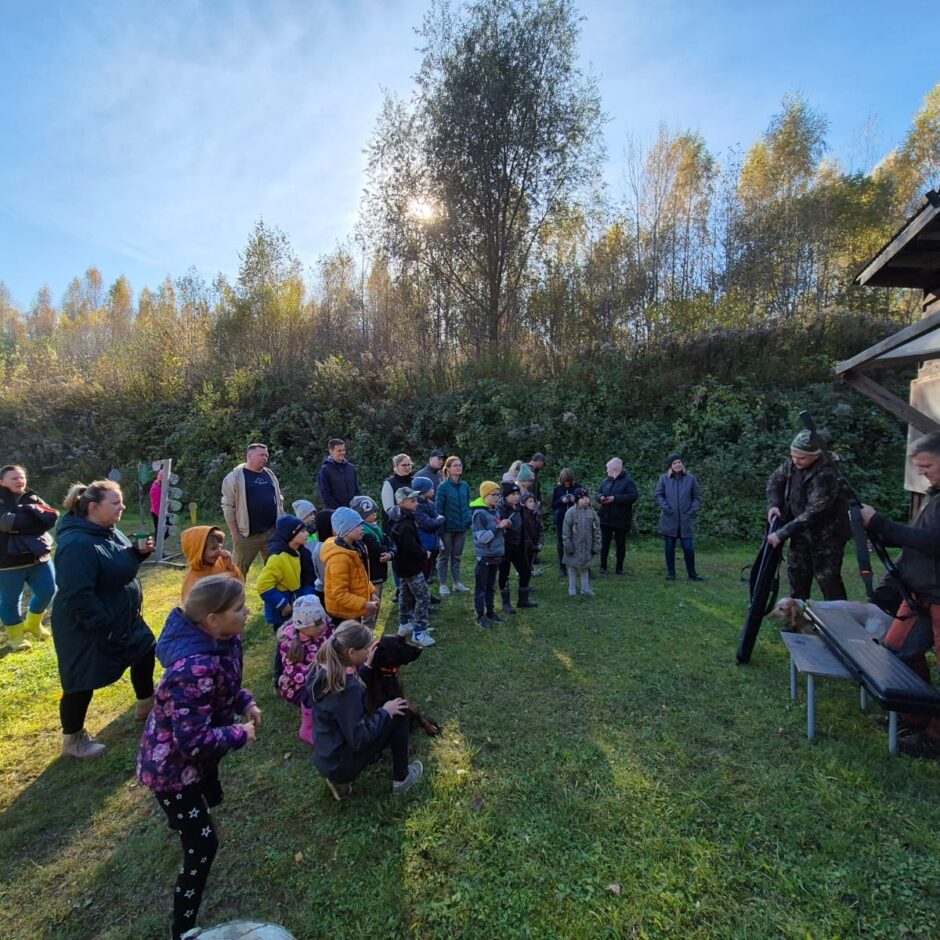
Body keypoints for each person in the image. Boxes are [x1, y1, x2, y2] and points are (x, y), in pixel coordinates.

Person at [136, 576, 261, 940]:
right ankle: (184, 929)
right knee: (203, 844)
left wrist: (245, 701)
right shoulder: (192, 668)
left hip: (192, 765)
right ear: (212, 619)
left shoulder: (223, 642)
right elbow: (192, 742)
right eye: (239, 608)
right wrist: (240, 733)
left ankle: (184, 819)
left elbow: (226, 686)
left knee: (207, 802)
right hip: (171, 771)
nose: (247, 611)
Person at [52, 480, 156, 759]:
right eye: (115, 503)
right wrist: (105, 626)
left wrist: (136, 554)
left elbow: (117, 567)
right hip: (86, 625)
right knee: (81, 680)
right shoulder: (76, 544)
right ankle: (73, 740)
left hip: (122, 616)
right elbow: (77, 595)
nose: (122, 508)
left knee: (145, 649)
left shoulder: (108, 531)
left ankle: (147, 704)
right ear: (93, 507)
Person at [860, 432, 940, 757]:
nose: (922, 472)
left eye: (928, 465)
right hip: (919, 593)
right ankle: (914, 715)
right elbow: (919, 539)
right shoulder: (934, 496)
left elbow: (934, 542)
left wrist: (879, 522)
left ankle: (936, 739)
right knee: (897, 653)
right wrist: (881, 532)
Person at [308, 620, 423, 799]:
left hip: (326, 759)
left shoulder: (320, 669)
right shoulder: (349, 688)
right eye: (366, 649)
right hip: (342, 765)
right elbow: (359, 738)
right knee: (400, 710)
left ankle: (337, 779)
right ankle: (403, 779)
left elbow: (341, 703)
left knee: (390, 711)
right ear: (351, 652)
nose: (370, 652)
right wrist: (385, 712)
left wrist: (366, 667)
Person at [766, 429, 850, 600]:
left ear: (816, 455)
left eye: (801, 457)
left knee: (828, 581)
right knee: (797, 579)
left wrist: (781, 534)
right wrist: (774, 505)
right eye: (793, 455)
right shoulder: (791, 464)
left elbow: (815, 512)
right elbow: (775, 481)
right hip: (800, 535)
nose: (795, 460)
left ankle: (838, 623)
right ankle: (796, 622)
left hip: (827, 538)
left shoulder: (827, 474)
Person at [0, 464, 58, 651]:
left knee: (48, 590)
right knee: (10, 600)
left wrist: (21, 522)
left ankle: (33, 623)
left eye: (22, 477)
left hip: (37, 557)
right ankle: (16, 637)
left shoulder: (31, 496)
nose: (20, 481)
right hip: (7, 561)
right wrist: (33, 519)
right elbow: (6, 523)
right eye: (14, 478)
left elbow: (51, 517)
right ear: (2, 481)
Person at [276, 594, 332, 746]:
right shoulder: (290, 643)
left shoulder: (323, 631)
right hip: (297, 685)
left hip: (325, 674)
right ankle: (307, 728)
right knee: (312, 692)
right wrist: (322, 674)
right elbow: (293, 672)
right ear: (303, 626)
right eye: (318, 624)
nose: (323, 626)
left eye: (323, 621)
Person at [220, 443, 285, 575]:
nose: (265, 457)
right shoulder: (235, 477)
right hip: (247, 535)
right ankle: (233, 595)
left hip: (271, 532)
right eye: (261, 455)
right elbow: (228, 507)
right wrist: (236, 534)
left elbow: (279, 500)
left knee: (276, 570)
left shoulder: (269, 474)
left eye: (266, 455)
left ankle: (274, 595)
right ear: (250, 456)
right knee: (237, 572)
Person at [390, 486, 436, 647]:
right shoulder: (405, 523)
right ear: (402, 502)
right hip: (410, 566)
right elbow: (410, 547)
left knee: (405, 594)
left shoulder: (401, 518)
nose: (416, 503)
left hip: (402, 566)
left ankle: (404, 624)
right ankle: (419, 631)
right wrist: (424, 554)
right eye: (412, 500)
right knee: (423, 596)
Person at [321, 507, 379, 624]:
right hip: (343, 613)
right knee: (350, 640)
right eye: (357, 526)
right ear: (345, 530)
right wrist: (364, 604)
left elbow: (360, 576)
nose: (363, 528)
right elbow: (339, 594)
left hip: (352, 608)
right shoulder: (339, 558)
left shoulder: (356, 547)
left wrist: (371, 593)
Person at [655, 453, 704, 582]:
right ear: (670, 466)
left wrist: (692, 511)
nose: (677, 465)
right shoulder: (664, 479)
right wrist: (666, 507)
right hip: (669, 519)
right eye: (674, 463)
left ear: (682, 464)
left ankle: (692, 574)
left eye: (679, 462)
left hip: (685, 519)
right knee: (669, 548)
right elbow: (659, 495)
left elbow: (697, 497)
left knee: (688, 548)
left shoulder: (691, 479)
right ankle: (671, 573)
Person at [472, 481, 510, 629]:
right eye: (494, 494)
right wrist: (497, 527)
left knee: (491, 587)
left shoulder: (495, 511)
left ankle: (491, 612)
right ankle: (480, 616)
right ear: (485, 495)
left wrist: (504, 527)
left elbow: (497, 531)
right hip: (485, 557)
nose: (497, 498)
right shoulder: (479, 514)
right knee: (481, 588)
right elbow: (482, 538)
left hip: (496, 555)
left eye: (498, 494)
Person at [435, 455, 472, 595]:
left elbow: (467, 504)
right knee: (444, 557)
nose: (459, 467)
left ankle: (457, 583)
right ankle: (443, 584)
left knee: (457, 557)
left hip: (461, 528)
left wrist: (468, 519)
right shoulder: (443, 487)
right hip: (447, 529)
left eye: (460, 465)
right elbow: (439, 509)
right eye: (455, 465)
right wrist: (440, 528)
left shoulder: (465, 486)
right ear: (448, 469)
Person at [497, 482, 535, 614]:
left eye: (518, 494)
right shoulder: (500, 509)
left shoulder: (520, 508)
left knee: (526, 571)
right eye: (513, 494)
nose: (517, 497)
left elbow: (525, 526)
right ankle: (506, 603)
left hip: (519, 545)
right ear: (506, 496)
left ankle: (523, 600)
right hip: (505, 547)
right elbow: (497, 527)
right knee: (504, 574)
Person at [180, 525, 244, 602]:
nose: (220, 551)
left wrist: (231, 567)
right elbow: (193, 610)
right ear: (199, 552)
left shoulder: (222, 563)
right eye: (213, 548)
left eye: (219, 547)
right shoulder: (192, 583)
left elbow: (239, 584)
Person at [597, 457, 638, 575]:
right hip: (606, 518)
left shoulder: (628, 482)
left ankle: (619, 568)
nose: (606, 470)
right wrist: (600, 498)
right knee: (604, 543)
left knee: (620, 544)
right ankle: (603, 567)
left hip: (621, 518)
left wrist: (615, 499)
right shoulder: (606, 481)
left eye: (608, 468)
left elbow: (633, 496)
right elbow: (598, 493)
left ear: (614, 469)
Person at [351, 495, 395, 600]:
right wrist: (388, 549)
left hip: (379, 572)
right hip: (372, 574)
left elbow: (389, 541)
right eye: (371, 513)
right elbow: (378, 550)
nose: (374, 514)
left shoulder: (375, 528)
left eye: (375, 511)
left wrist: (391, 551)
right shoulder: (363, 533)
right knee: (373, 601)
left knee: (377, 600)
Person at [563, 487, 601, 597]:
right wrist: (567, 544)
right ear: (576, 500)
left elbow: (597, 530)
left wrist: (597, 544)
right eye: (582, 498)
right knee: (572, 567)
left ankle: (585, 588)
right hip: (574, 546)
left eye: (587, 497)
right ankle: (572, 588)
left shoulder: (592, 513)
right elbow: (566, 530)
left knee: (585, 567)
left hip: (587, 546)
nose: (585, 500)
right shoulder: (570, 513)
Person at [413, 476, 445, 590]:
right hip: (423, 544)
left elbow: (435, 519)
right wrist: (440, 520)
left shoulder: (430, 503)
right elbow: (428, 524)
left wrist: (437, 520)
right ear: (423, 490)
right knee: (420, 574)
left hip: (432, 543)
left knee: (426, 573)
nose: (433, 490)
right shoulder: (417, 506)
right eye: (430, 488)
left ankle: (426, 597)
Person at [317, 438, 361, 511]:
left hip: (353, 511)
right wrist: (341, 510)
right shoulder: (325, 470)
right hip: (335, 513)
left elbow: (357, 490)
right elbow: (325, 495)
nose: (342, 453)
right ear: (331, 451)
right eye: (339, 451)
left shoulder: (351, 468)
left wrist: (356, 506)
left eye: (343, 450)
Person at [551, 468, 579, 578]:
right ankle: (562, 567)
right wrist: (561, 501)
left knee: (578, 541)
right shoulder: (557, 489)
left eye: (569, 482)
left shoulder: (578, 487)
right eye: (565, 482)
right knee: (561, 542)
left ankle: (581, 565)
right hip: (561, 518)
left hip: (576, 518)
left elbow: (585, 501)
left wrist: (575, 500)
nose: (567, 484)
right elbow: (553, 505)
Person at [380, 454, 414, 528]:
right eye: (404, 465)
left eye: (409, 464)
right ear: (396, 466)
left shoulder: (414, 481)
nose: (407, 467)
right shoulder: (389, 483)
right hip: (395, 525)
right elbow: (389, 509)